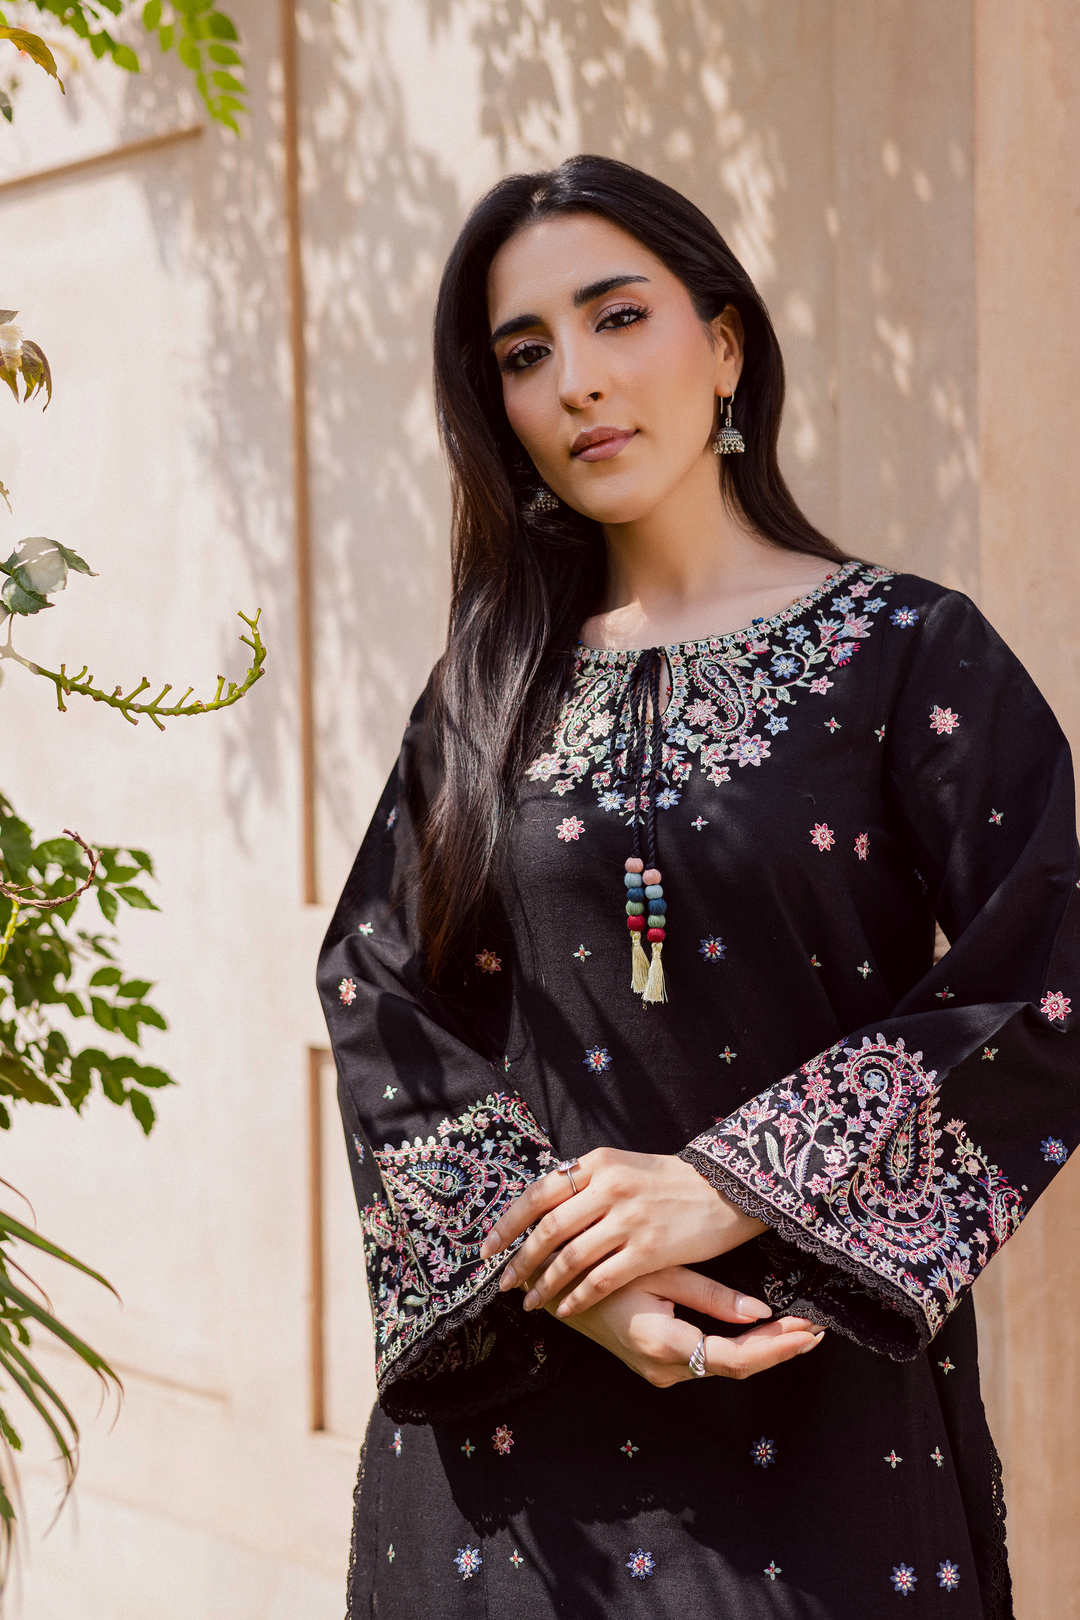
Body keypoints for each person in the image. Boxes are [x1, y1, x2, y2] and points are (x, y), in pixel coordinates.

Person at [318, 154, 1079, 1619]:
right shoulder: (485, 688)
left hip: (814, 1400)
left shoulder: (910, 652)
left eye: (618, 319)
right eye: (525, 354)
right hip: (521, 1429)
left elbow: (1043, 974)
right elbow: (374, 989)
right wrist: (571, 1264)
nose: (579, 383)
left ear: (723, 343)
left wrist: (729, 1187)